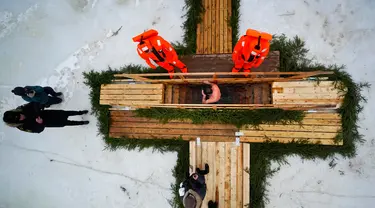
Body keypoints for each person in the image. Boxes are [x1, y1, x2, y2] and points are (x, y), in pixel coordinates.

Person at [3, 102, 89, 133]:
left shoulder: (21, 108)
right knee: (67, 123)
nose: (21, 116)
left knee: (66, 113)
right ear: (16, 122)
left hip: (50, 114)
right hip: (49, 123)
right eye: (19, 119)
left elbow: (34, 103)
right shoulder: (22, 127)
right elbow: (37, 130)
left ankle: (80, 112)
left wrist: (38, 111)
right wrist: (40, 123)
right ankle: (81, 123)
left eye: (19, 115)